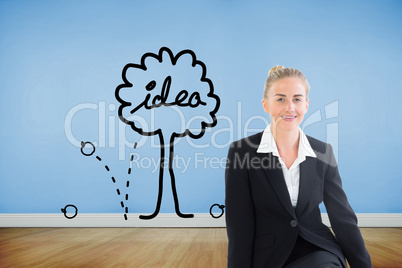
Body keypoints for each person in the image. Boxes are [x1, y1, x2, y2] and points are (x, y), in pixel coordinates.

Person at [225, 66, 372, 268]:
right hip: (269, 255)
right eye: (280, 99)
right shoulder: (242, 152)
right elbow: (239, 225)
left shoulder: (323, 152)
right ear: (265, 104)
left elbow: (342, 218)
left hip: (318, 248)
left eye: (297, 99)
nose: (290, 108)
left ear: (306, 104)